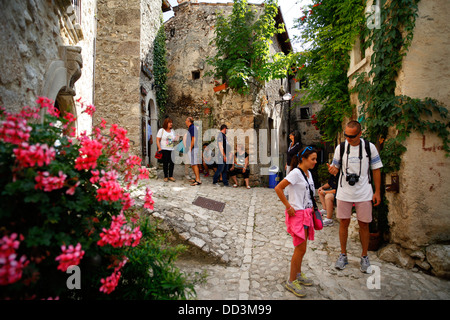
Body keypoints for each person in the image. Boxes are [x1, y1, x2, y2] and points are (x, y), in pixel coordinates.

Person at [327, 120, 383, 273]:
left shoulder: (369, 148)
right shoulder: (342, 147)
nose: (348, 139)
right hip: (344, 191)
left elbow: (376, 170)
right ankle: (343, 254)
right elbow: (335, 168)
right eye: (346, 135)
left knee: (364, 224)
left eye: (351, 136)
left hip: (364, 192)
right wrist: (332, 170)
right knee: (343, 223)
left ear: (360, 134)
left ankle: (364, 256)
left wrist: (377, 192)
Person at [274, 146, 318, 298]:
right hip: (298, 214)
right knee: (300, 249)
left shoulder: (308, 174)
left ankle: (298, 274)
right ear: (303, 159)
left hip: (307, 214)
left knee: (303, 248)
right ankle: (291, 280)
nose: (315, 161)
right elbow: (278, 188)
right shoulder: (295, 173)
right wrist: (288, 206)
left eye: (315, 158)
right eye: (312, 159)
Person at [156, 118, 177, 182]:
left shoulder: (172, 131)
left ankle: (170, 176)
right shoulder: (161, 130)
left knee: (172, 163)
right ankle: (165, 176)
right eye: (169, 122)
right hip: (164, 149)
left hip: (171, 149)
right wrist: (159, 147)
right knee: (165, 163)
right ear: (166, 123)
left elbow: (174, 139)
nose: (171, 124)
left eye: (171, 122)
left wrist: (176, 138)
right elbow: (157, 140)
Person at [185, 117, 201, 186]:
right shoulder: (191, 128)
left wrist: (190, 148)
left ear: (188, 121)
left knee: (194, 164)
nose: (185, 121)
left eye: (186, 120)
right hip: (192, 148)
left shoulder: (192, 128)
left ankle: (198, 180)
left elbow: (193, 139)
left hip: (193, 148)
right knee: (193, 164)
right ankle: (196, 178)